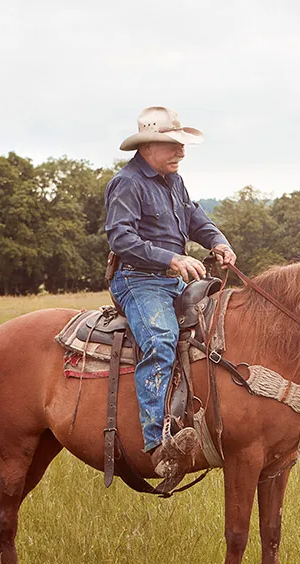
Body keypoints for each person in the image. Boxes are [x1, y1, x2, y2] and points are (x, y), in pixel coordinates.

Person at [104, 106, 236, 485]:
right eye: (173, 145)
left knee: (218, 331)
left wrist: (218, 242)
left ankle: (201, 419)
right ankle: (157, 443)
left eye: (182, 145)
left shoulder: (173, 181)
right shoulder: (127, 183)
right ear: (147, 147)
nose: (181, 152)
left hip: (171, 279)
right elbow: (122, 238)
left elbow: (195, 218)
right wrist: (173, 258)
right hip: (138, 280)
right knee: (161, 340)